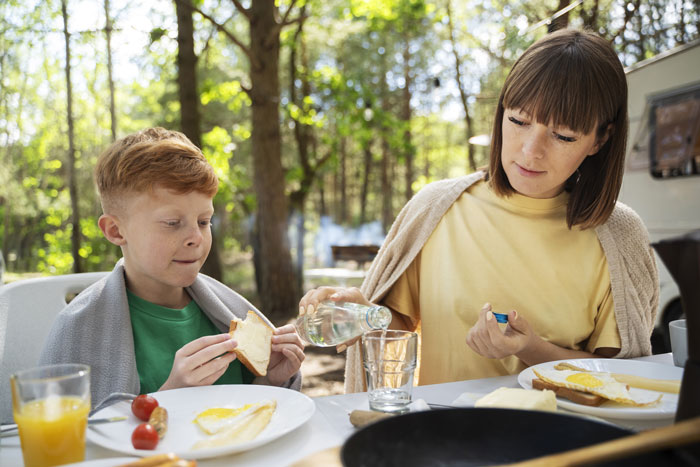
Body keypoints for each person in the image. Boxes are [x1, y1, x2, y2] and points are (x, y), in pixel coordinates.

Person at [299, 29, 659, 393]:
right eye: (519, 121)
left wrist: (531, 349)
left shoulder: (618, 236)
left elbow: (620, 379)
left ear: (600, 139)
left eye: (563, 136)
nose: (530, 151)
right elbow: (399, 326)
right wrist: (363, 311)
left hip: (561, 440)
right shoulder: (435, 209)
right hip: (441, 437)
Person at [39, 128, 305, 409]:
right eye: (172, 223)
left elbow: (246, 414)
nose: (196, 238)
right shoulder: (79, 330)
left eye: (204, 221)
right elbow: (64, 437)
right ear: (116, 231)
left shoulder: (230, 310)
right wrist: (169, 395)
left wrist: (272, 380)